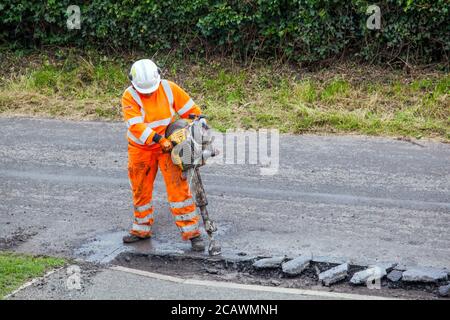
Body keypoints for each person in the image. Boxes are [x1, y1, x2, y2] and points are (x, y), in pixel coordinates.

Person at [120, 59, 205, 251]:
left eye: (151, 89)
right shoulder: (129, 96)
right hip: (141, 148)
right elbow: (136, 126)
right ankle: (141, 230)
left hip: (168, 147)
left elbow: (193, 112)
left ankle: (192, 234)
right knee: (141, 189)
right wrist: (159, 139)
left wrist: (194, 128)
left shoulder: (169, 88)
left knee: (179, 190)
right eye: (145, 91)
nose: (149, 93)